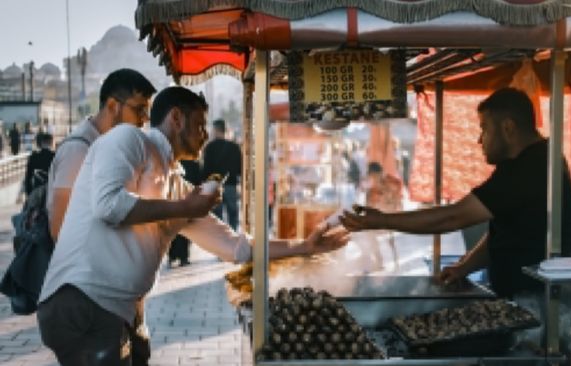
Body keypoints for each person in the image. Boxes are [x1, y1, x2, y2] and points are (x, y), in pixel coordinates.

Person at [37, 86, 349, 366]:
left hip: (122, 312)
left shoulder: (177, 186)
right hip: (83, 301)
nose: (204, 135)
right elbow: (108, 205)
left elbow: (235, 247)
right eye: (199, 125)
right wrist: (185, 207)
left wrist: (306, 246)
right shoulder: (129, 140)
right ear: (176, 118)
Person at [341, 88, 571, 364]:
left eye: (484, 129)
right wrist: (464, 267)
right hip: (528, 303)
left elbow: (452, 217)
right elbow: (508, 232)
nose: (480, 139)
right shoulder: (528, 162)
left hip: (549, 308)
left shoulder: (531, 168)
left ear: (508, 127)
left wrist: (381, 220)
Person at [43, 68, 157, 366]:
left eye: (147, 110)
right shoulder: (79, 150)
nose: (144, 119)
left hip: (110, 299)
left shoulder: (112, 147)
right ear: (112, 106)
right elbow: (60, 228)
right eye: (139, 109)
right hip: (86, 301)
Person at [202, 118, 242, 231]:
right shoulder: (234, 147)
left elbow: (205, 170)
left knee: (217, 217)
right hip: (231, 185)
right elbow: (239, 169)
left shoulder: (209, 148)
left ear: (215, 130)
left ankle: (219, 243)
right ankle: (233, 240)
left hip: (214, 186)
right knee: (233, 215)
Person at [168, 159, 202, 267]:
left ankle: (172, 256)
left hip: (173, 198)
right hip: (188, 198)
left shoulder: (174, 160)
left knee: (174, 228)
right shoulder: (194, 161)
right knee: (185, 226)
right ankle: (184, 257)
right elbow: (198, 180)